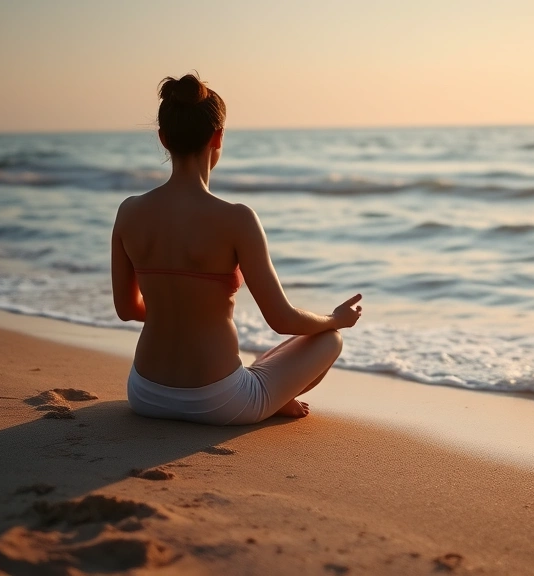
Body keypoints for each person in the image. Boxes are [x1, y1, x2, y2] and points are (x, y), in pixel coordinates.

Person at [111, 73, 362, 425]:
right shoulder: (237, 219)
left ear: (163, 138)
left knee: (266, 363)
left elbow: (127, 309)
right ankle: (274, 398)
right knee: (329, 340)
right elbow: (282, 320)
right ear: (218, 137)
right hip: (219, 402)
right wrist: (337, 318)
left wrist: (178, 309)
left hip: (145, 393)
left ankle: (270, 391)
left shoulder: (130, 211)